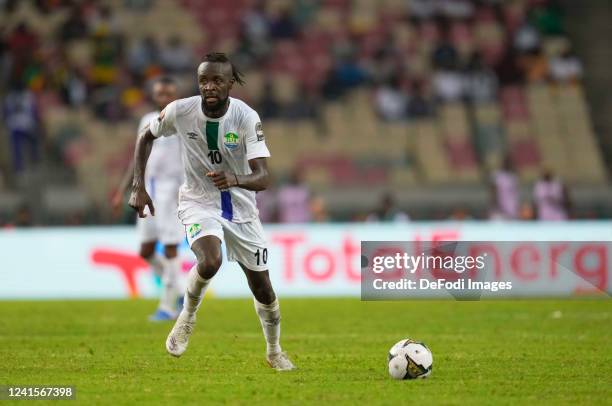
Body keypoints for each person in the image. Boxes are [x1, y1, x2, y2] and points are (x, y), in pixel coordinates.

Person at [128, 52, 295, 371]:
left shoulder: (246, 117)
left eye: (217, 80)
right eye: (203, 80)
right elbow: (145, 136)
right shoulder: (181, 111)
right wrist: (138, 185)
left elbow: (263, 177)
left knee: (263, 288)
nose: (209, 86)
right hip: (198, 201)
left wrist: (234, 178)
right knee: (210, 261)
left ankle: (274, 351)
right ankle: (186, 317)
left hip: (242, 210)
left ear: (230, 83)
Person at [113, 76, 184, 321]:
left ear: (175, 96)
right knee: (145, 250)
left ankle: (167, 306)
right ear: (155, 96)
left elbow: (191, 157)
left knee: (171, 247)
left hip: (171, 190)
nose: (164, 98)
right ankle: (180, 289)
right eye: (160, 94)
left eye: (168, 94)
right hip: (147, 189)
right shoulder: (147, 120)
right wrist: (124, 189)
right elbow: (138, 157)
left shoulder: (182, 121)